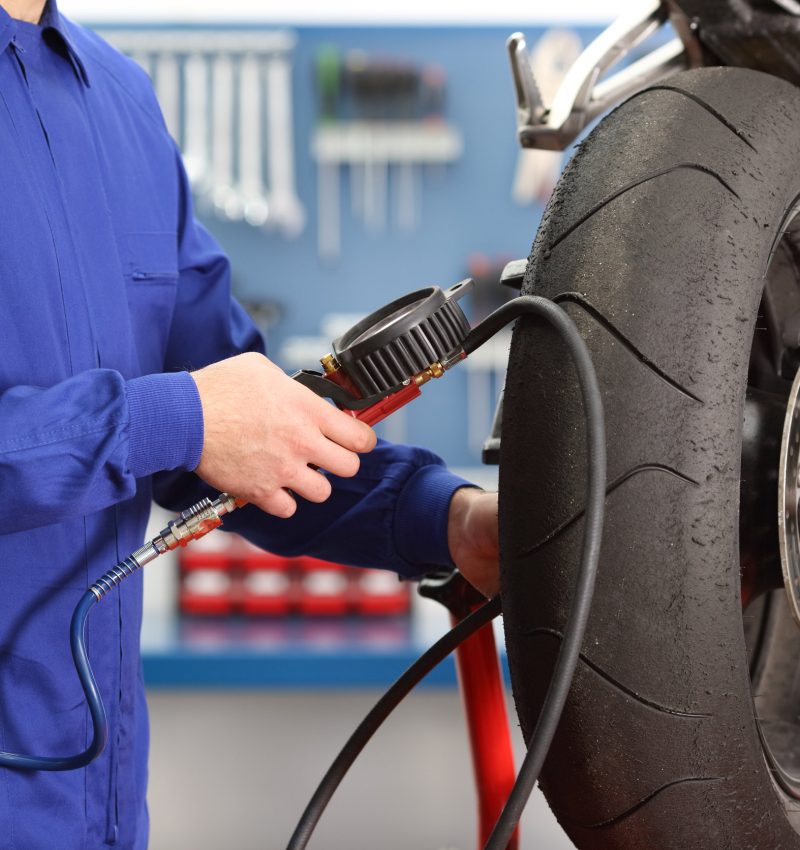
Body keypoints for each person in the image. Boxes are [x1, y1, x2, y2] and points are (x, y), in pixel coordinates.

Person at [0, 0, 499, 847]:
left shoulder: (120, 101)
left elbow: (251, 431)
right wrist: (172, 418)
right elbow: (188, 418)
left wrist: (450, 520)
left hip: (100, 804)